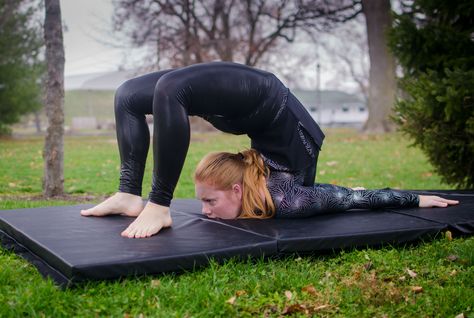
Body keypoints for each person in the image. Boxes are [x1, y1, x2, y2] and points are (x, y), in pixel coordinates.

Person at [80, 61, 459, 238]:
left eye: (208, 201)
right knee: (128, 95)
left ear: (237, 189)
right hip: (267, 106)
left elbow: (352, 196)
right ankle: (131, 195)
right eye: (207, 202)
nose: (204, 210)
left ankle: (155, 203)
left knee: (164, 90)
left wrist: (414, 199)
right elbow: (349, 196)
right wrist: (417, 197)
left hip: (255, 108)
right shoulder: (290, 197)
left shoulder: (274, 194)